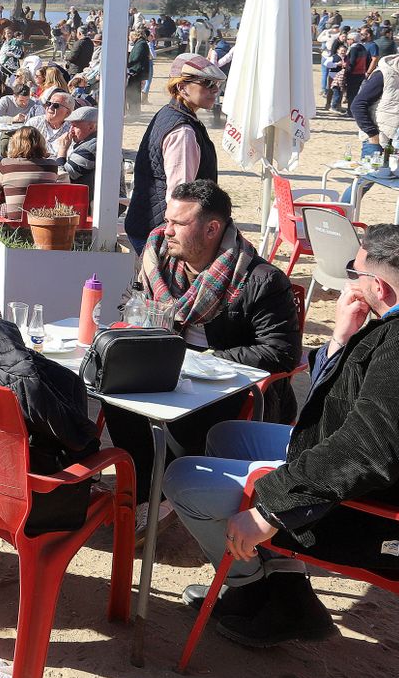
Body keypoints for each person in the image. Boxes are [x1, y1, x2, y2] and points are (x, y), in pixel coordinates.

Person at [164, 223, 399, 647]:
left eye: (355, 274)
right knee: (229, 436)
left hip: (380, 516)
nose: (350, 283)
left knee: (183, 479)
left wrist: (271, 512)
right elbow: (336, 407)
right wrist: (341, 337)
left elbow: (369, 450)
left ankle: (257, 590)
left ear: (379, 285)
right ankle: (285, 586)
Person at [108, 180, 301, 529]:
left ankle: (167, 492)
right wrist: (143, 328)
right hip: (165, 364)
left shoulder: (260, 279)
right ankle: (145, 487)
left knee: (181, 409)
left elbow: (280, 353)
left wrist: (205, 357)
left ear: (212, 228)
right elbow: (128, 305)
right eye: (167, 220)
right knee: (114, 394)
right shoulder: (156, 259)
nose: (166, 230)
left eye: (178, 224)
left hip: (227, 384)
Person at [124, 53, 226, 254]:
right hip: (162, 234)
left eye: (217, 84)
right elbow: (180, 195)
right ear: (181, 87)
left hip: (149, 224)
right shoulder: (183, 131)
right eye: (207, 83)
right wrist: (176, 243)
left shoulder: (170, 113)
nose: (215, 90)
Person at [0, 126, 61, 210]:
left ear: (14, 144)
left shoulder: (6, 165)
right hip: (43, 218)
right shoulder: (52, 166)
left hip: (16, 219)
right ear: (41, 143)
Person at [55, 105, 100, 210]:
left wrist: (62, 150)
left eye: (75, 126)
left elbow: (62, 177)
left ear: (91, 126)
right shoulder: (92, 142)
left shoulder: (90, 147)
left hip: (91, 204)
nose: (71, 131)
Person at [27, 90, 74, 157]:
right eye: (48, 103)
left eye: (56, 105)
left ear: (68, 113)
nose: (50, 107)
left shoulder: (72, 129)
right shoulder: (34, 123)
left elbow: (71, 155)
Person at [126, 28, 153, 115]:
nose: (130, 39)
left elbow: (136, 58)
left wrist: (128, 64)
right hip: (137, 71)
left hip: (136, 72)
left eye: (130, 37)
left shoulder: (140, 44)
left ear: (134, 36)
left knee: (134, 92)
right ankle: (134, 111)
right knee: (135, 92)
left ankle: (134, 112)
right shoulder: (141, 43)